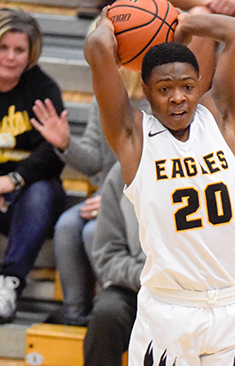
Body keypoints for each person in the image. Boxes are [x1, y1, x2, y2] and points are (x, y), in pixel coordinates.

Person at [84, 7, 235, 366]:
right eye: (165, 89)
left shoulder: (219, 118)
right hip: (170, 312)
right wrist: (108, 22)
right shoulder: (134, 138)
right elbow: (98, 49)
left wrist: (186, 22)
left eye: (187, 86)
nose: (177, 97)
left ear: (199, 85)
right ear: (147, 94)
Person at [30, 68, 149, 326]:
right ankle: (76, 315)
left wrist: (112, 196)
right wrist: (65, 143)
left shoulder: (155, 97)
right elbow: (93, 160)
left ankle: (112, 310)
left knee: (91, 232)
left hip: (144, 194)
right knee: (67, 225)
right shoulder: (104, 95)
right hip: (108, 192)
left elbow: (154, 156)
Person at [0, 8, 66, 324]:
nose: (10, 57)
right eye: (3, 47)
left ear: (31, 53)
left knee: (41, 191)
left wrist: (13, 179)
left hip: (25, 194)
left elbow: (53, 153)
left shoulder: (43, 89)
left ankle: (9, 283)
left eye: (19, 50)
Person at [84, 161, 145, 366]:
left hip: (196, 288)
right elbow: (108, 255)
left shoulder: (206, 165)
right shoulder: (123, 171)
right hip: (138, 285)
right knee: (107, 313)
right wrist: (147, 276)